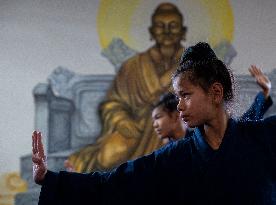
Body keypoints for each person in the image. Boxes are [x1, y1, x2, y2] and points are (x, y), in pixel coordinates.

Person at [33, 42, 276, 205]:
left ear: (215, 93)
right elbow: (113, 183)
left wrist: (265, 93)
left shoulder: (264, 137)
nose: (179, 105)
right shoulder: (174, 157)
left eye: (186, 95)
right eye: (178, 97)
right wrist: (50, 178)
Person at [68, 2, 188, 172]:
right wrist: (122, 120)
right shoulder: (132, 66)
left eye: (173, 26)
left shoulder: (191, 65)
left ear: (182, 31)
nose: (167, 31)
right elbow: (112, 103)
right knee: (108, 155)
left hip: (173, 124)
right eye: (161, 26)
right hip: (135, 128)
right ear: (152, 32)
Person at [152, 66, 273, 143]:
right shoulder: (168, 154)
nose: (155, 125)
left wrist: (265, 92)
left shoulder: (208, 138)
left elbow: (246, 123)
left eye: (158, 117)